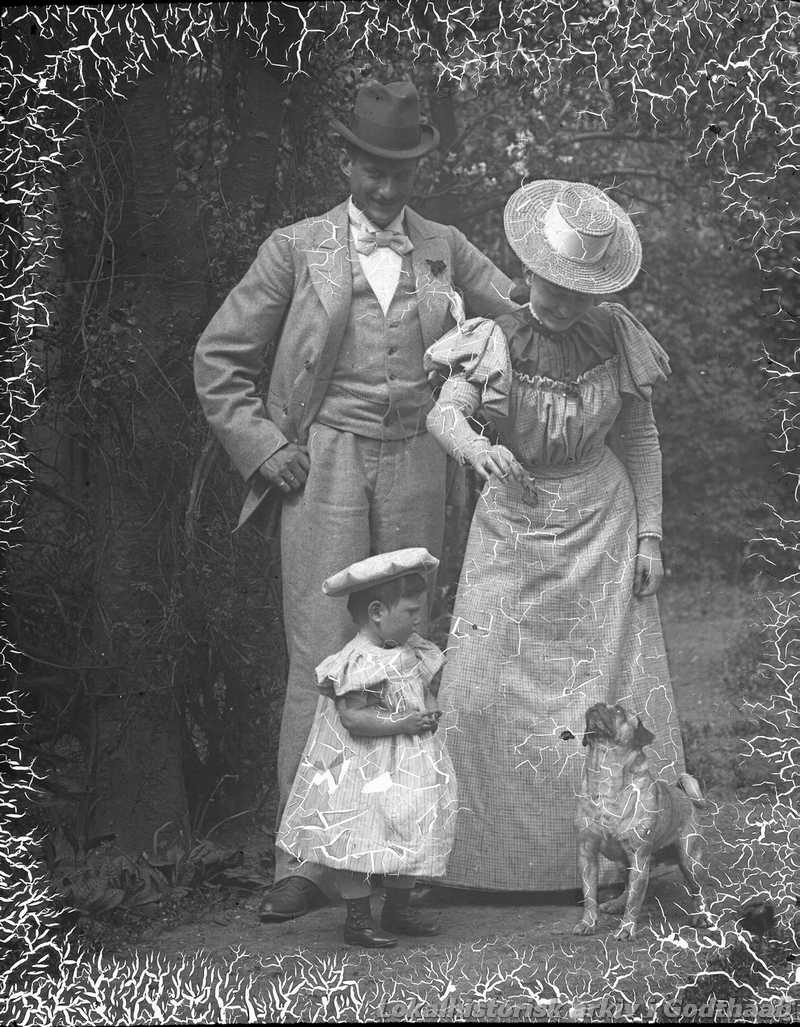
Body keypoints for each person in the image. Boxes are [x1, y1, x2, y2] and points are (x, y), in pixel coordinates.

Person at [194, 80, 517, 921]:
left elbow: (520, 314)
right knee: (322, 656)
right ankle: (303, 861)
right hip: (325, 464)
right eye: (373, 168)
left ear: (417, 170)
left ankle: (397, 865)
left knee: (405, 653)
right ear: (346, 163)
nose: (385, 186)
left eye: (400, 170)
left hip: (418, 459)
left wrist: (577, 300)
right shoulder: (296, 249)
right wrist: (266, 446)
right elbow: (219, 359)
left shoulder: (444, 248)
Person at [423, 180, 685, 893]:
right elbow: (445, 414)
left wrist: (651, 537)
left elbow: (640, 438)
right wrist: (477, 450)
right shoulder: (495, 337)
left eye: (581, 292)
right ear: (529, 269)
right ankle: (484, 864)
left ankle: (602, 858)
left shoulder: (615, 335)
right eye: (555, 286)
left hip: (602, 524)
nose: (566, 304)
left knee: (595, 693)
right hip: (513, 519)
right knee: (483, 687)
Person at [276, 548, 456, 947]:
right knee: (358, 833)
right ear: (376, 612)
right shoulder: (359, 661)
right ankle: (357, 919)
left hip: (405, 764)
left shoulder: (410, 650)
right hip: (361, 767)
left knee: (408, 824)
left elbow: (421, 689)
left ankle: (398, 907)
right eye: (411, 612)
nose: (418, 620)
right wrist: (404, 722)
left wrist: (428, 708)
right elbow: (355, 719)